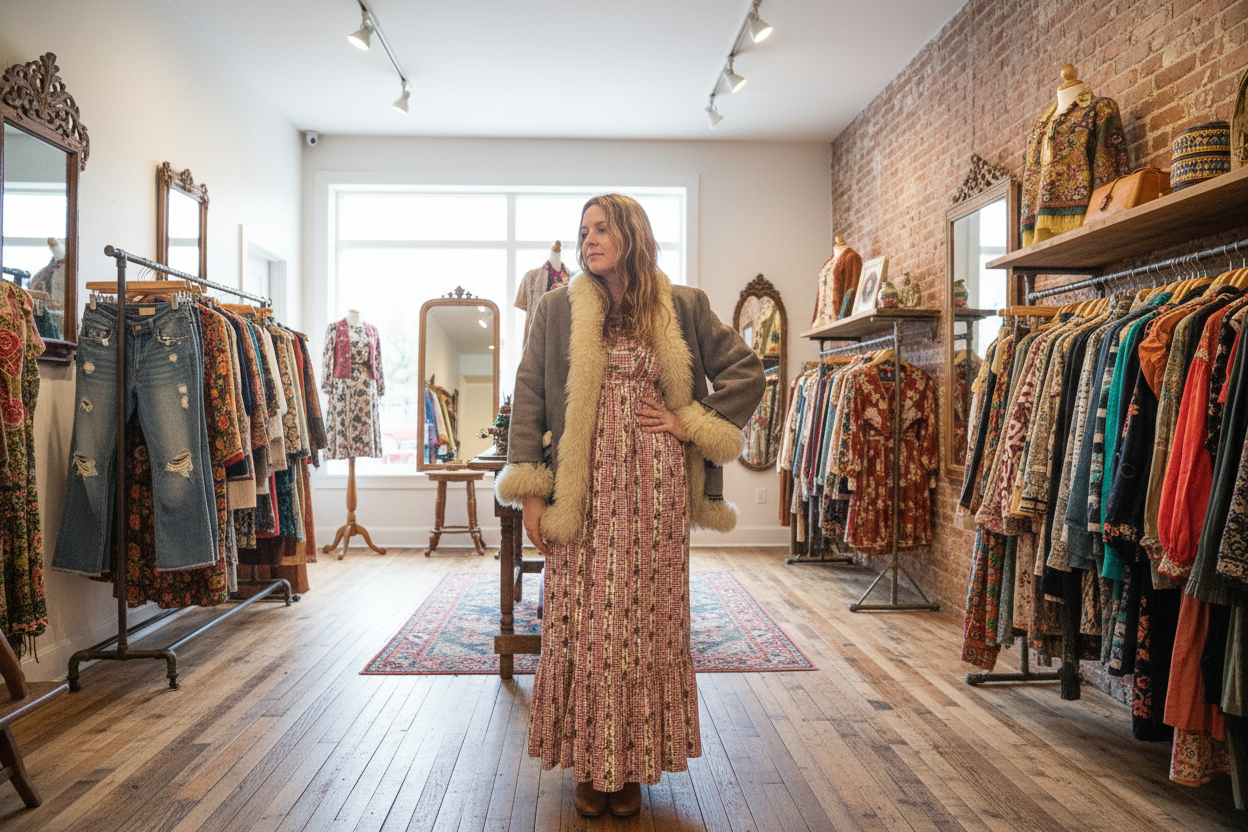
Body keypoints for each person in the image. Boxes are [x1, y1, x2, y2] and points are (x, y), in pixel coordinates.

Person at [495, 194, 765, 817]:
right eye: (583, 230)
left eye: (600, 229)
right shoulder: (557, 308)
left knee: (648, 624)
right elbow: (529, 394)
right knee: (583, 622)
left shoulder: (683, 305)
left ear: (632, 233)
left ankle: (634, 765)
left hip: (656, 490)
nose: (587, 240)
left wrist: (688, 420)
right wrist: (532, 492)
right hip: (582, 492)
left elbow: (747, 373)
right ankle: (592, 766)